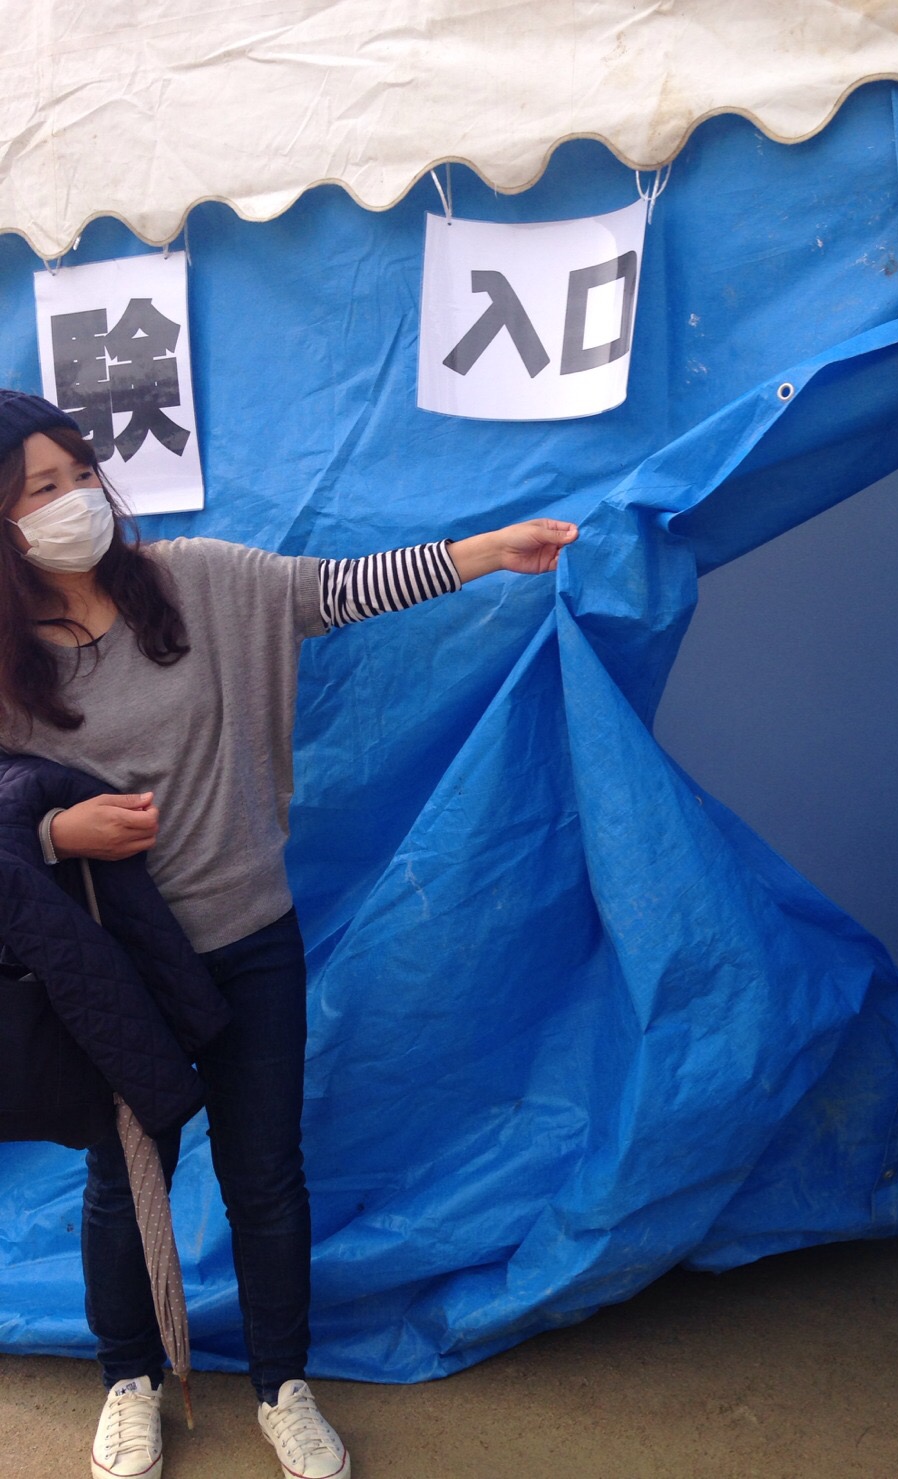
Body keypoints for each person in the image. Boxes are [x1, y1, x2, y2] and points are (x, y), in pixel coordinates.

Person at [0, 388, 578, 1479]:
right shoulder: (5, 662)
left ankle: (283, 1386)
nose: (77, 499)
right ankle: (129, 1379)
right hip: (116, 970)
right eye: (43, 487)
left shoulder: (193, 582)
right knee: (124, 1182)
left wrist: (485, 553)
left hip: (249, 938)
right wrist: (56, 831)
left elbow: (334, 591)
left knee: (265, 1175)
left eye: (82, 473)